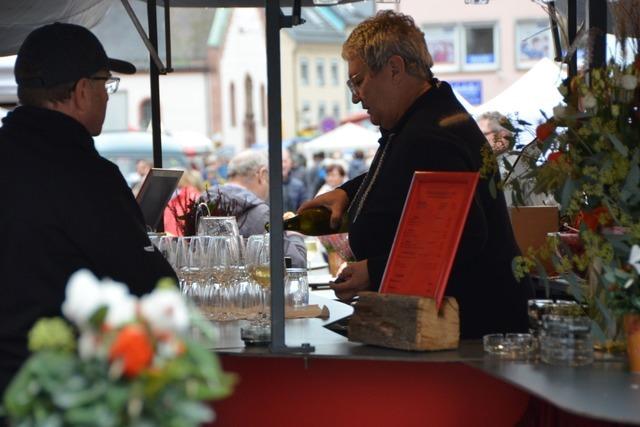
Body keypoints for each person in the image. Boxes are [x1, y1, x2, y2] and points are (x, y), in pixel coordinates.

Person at [298, 11, 533, 339]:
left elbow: (465, 237)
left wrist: (374, 270)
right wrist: (349, 193)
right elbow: (405, 175)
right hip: (456, 325)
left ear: (394, 68)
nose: (355, 95)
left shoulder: (431, 133)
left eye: (359, 80)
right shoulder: (422, 120)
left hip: (468, 330)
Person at [0, 23, 177, 399]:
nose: (107, 95)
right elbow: (153, 288)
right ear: (81, 92)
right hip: (59, 394)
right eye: (105, 83)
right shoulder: (89, 177)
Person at [208, 150, 307, 267]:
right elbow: (296, 264)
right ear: (262, 174)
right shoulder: (261, 214)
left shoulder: (202, 203)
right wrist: (294, 234)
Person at [282, 148, 307, 213]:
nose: (283, 165)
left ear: (290, 163)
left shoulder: (299, 186)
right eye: (280, 161)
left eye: (285, 161)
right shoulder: (267, 186)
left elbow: (303, 209)